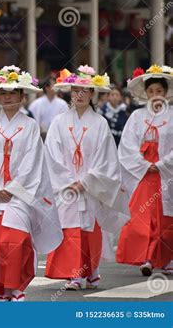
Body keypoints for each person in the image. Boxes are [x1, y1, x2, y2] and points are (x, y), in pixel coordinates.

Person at [0, 66, 62, 301]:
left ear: (22, 96)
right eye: (2, 93)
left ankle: (16, 286)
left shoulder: (30, 126)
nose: (7, 97)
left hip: (19, 194)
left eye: (13, 93)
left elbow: (33, 162)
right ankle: (3, 288)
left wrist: (12, 188)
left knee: (15, 240)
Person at [44, 65, 129, 290]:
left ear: (92, 93)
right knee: (69, 229)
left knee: (90, 230)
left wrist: (88, 181)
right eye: (74, 91)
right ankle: (74, 274)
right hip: (67, 187)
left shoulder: (100, 124)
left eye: (84, 91)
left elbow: (107, 157)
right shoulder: (58, 122)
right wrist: (68, 180)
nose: (79, 95)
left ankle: (91, 271)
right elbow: (51, 155)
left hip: (91, 187)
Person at [116, 65, 173, 276]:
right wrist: (143, 164)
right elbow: (127, 145)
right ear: (146, 93)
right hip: (143, 175)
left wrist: (162, 164)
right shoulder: (137, 117)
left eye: (159, 91)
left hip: (166, 175)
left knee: (165, 220)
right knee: (142, 217)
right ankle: (147, 258)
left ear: (165, 93)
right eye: (151, 91)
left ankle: (165, 257)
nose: (155, 95)